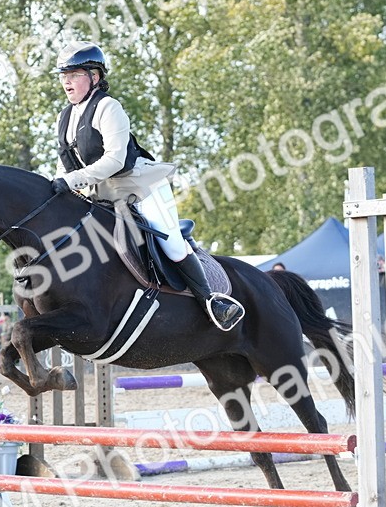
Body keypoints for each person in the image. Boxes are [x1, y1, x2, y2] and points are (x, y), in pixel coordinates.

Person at [50, 40, 245, 331]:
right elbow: (65, 165)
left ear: (95, 77)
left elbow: (115, 159)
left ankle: (213, 302)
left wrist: (72, 180)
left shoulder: (108, 107)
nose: (67, 82)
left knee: (172, 243)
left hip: (140, 186)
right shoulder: (64, 117)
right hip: (100, 194)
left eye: (75, 74)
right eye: (64, 76)